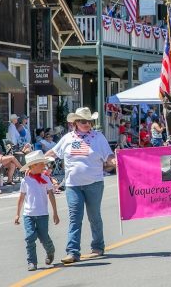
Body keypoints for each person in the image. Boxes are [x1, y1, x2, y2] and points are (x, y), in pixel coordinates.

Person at [45, 107, 116, 265]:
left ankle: (97, 246)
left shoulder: (98, 137)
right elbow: (54, 152)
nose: (87, 124)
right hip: (73, 185)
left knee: (94, 216)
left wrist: (114, 161)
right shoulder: (68, 138)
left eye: (89, 121)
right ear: (75, 122)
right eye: (83, 121)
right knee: (74, 218)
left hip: (94, 183)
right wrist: (38, 160)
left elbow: (108, 155)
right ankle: (72, 251)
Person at [15, 151, 60, 271]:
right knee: (30, 237)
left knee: (44, 237)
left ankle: (50, 251)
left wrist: (55, 212)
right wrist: (17, 214)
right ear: (33, 166)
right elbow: (21, 198)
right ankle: (32, 262)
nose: (44, 166)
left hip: (42, 214)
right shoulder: (25, 181)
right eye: (41, 164)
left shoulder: (46, 179)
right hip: (28, 214)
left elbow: (51, 195)